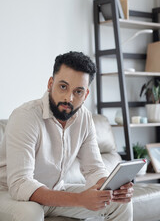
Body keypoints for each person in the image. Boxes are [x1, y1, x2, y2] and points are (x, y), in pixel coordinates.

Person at [0, 51, 133, 221]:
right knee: (30, 213)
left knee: (119, 203)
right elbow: (20, 184)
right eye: (63, 86)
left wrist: (111, 187)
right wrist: (79, 200)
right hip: (9, 195)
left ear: (85, 95)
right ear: (50, 83)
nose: (68, 98)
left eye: (78, 92)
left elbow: (94, 169)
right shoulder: (25, 117)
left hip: (55, 192)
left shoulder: (84, 118)